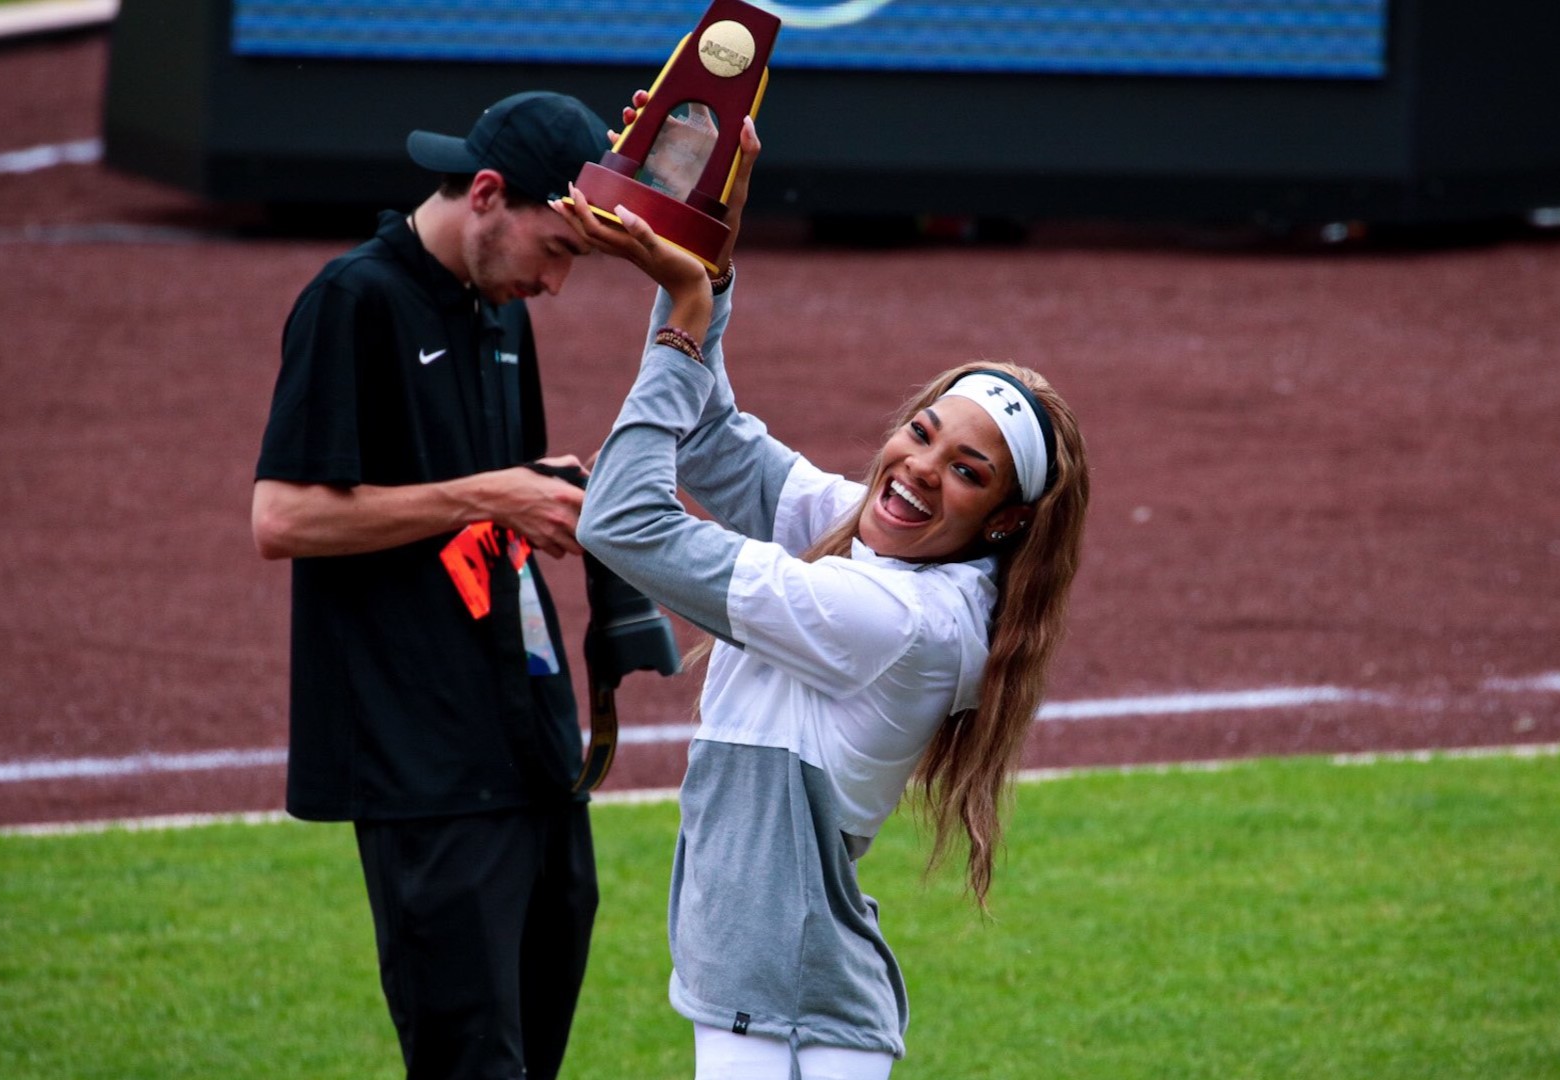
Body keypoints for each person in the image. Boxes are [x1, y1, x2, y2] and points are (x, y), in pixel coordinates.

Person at [560, 118, 1091, 1079]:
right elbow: (714, 441)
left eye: (965, 471)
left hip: (792, 1021)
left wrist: (684, 308)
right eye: (921, 433)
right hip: (774, 1000)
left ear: (1005, 521)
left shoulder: (895, 619)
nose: (917, 470)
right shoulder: (869, 539)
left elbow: (624, 522)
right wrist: (707, 266)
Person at [250, 91, 612, 1080]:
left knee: (534, 1049)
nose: (560, 282)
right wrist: (484, 493)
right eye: (557, 248)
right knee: (470, 1062)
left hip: (526, 739)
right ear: (487, 194)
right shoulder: (353, 302)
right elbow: (282, 519)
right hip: (420, 759)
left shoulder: (501, 313)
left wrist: (551, 500)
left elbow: (499, 511)